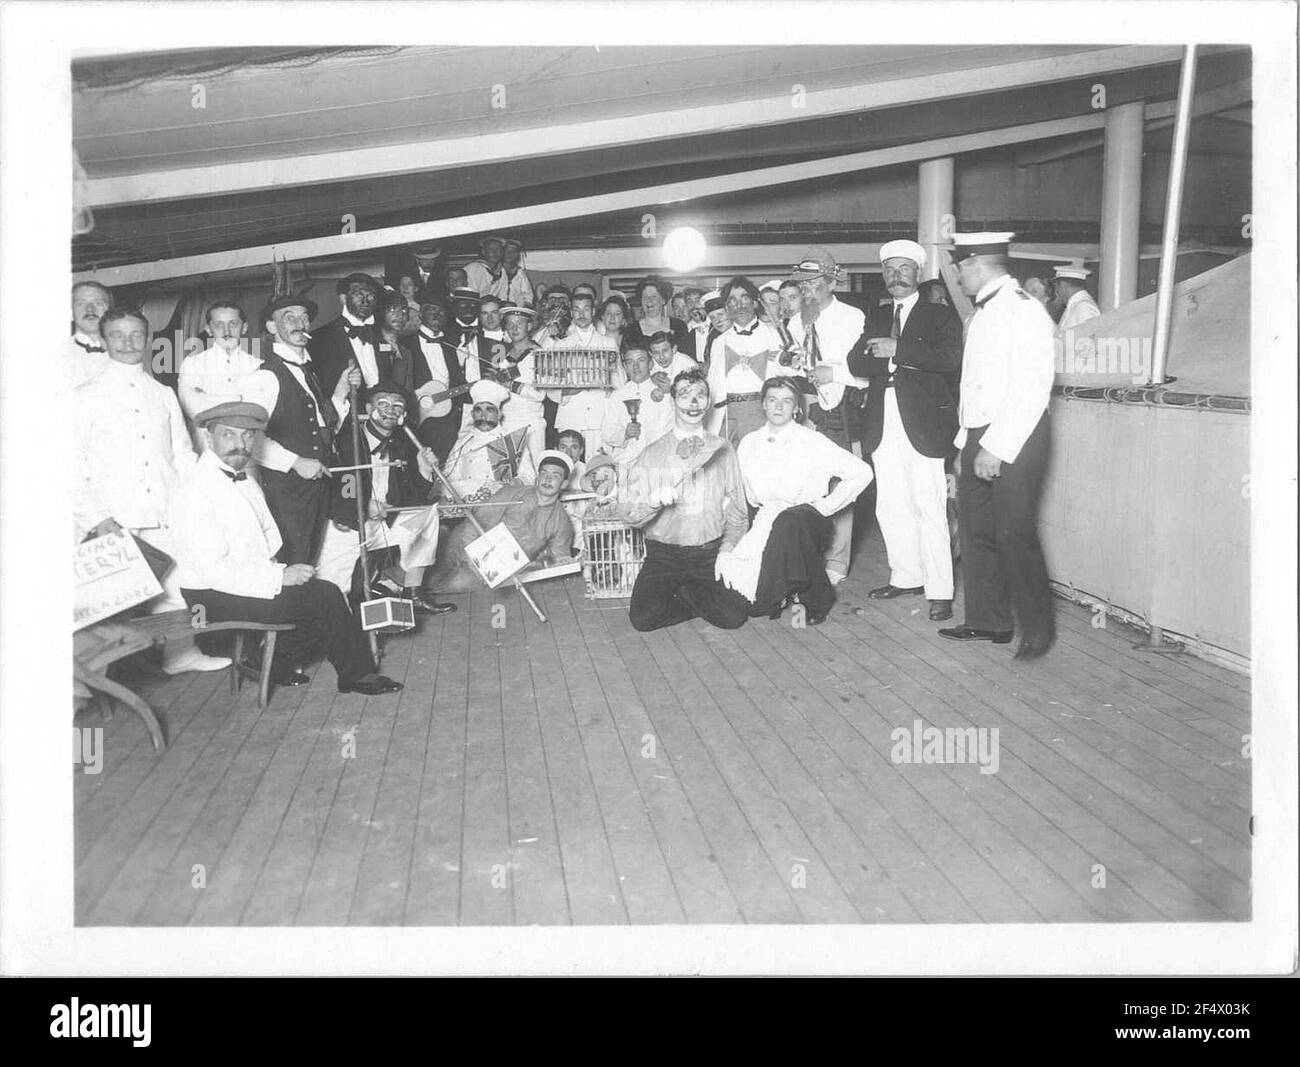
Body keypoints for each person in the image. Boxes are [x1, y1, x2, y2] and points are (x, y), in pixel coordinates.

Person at [173, 402, 401, 695]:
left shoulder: (244, 480)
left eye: (247, 436)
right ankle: (357, 676)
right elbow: (212, 570)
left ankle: (268, 663)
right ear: (208, 438)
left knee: (317, 599)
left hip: (242, 583)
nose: (240, 444)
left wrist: (283, 571)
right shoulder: (195, 490)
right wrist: (279, 578)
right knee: (326, 597)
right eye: (229, 435)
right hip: (209, 599)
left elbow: (268, 540)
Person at [75, 307, 228, 674]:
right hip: (113, 518)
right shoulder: (83, 396)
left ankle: (180, 655)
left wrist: (197, 499)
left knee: (178, 586)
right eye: (117, 335)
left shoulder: (162, 392)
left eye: (136, 335)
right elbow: (71, 466)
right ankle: (97, 678)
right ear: (104, 338)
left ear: (148, 339)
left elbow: (182, 453)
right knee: (107, 604)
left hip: (164, 508)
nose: (128, 343)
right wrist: (98, 518)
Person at [939, 232, 1056, 659]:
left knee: (1015, 533)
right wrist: (963, 445)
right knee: (977, 530)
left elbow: (1031, 389)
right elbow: (974, 388)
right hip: (978, 434)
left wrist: (996, 448)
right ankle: (988, 621)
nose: (959, 276)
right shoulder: (983, 312)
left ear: (976, 264)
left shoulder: (1023, 310)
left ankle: (1038, 632)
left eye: (961, 267)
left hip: (1016, 435)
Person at [848, 239, 963, 620]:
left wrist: (898, 350)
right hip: (883, 420)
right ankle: (906, 575)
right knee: (890, 504)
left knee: (928, 505)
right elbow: (857, 363)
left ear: (918, 273)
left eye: (904, 270)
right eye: (890, 270)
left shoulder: (939, 315)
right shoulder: (877, 315)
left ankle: (940, 589)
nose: (896, 277)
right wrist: (892, 359)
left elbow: (948, 360)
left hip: (925, 423)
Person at [729, 376, 874, 623]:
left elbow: (862, 472)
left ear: (797, 408)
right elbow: (746, 494)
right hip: (768, 520)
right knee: (746, 603)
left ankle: (817, 597)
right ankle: (783, 587)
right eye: (772, 400)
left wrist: (825, 507)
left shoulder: (811, 441)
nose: (778, 406)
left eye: (787, 401)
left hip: (806, 520)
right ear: (763, 404)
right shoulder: (749, 443)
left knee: (789, 520)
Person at [620, 367, 750, 632]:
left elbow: (738, 511)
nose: (693, 402)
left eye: (701, 394)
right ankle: (690, 592)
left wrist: (727, 549)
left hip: (709, 554)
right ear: (672, 400)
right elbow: (629, 514)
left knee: (734, 617)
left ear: (709, 402)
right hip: (665, 555)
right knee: (643, 619)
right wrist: (653, 501)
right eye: (684, 394)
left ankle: (688, 590)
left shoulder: (722, 449)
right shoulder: (652, 453)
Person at [316, 382, 456, 616]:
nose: (390, 409)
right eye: (383, 404)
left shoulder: (401, 444)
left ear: (403, 416)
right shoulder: (346, 440)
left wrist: (423, 471)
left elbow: (413, 499)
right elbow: (331, 491)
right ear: (369, 409)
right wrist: (362, 507)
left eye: (397, 406)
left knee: (426, 514)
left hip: (382, 524)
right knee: (335, 594)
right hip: (346, 526)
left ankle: (414, 594)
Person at [244, 295, 359, 564]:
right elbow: (250, 436)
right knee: (292, 564)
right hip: (287, 492)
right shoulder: (265, 376)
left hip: (317, 485)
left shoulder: (309, 371)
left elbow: (321, 426)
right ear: (272, 328)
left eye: (304, 317)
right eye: (289, 317)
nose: (300, 323)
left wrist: (341, 392)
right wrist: (295, 462)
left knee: (313, 560)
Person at [785, 247, 868, 586]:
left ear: (832, 281)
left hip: (843, 408)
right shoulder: (794, 321)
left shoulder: (853, 317)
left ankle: (837, 560)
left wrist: (833, 374)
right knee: (807, 483)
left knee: (843, 481)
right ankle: (810, 555)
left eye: (814, 282)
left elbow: (864, 373)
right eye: (802, 283)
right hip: (806, 408)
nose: (807, 289)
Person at [427, 450, 575, 594]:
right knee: (431, 582)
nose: (547, 479)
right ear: (537, 477)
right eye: (544, 473)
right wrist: (473, 559)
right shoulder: (512, 492)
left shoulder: (562, 522)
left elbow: (560, 558)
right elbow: (474, 525)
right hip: (463, 544)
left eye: (555, 476)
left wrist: (564, 563)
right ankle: (441, 540)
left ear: (564, 484)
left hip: (495, 570)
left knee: (443, 588)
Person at [707, 275, 788, 443]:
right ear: (727, 307)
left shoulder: (775, 335)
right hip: (726, 414)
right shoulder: (718, 342)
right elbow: (713, 384)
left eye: (745, 299)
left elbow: (788, 375)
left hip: (762, 411)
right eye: (733, 301)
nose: (740, 305)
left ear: (755, 303)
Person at [404, 300, 477, 464]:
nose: (437, 314)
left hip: (448, 421)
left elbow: (458, 381)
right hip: (417, 419)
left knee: (447, 465)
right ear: (421, 314)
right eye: (432, 309)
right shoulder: (405, 344)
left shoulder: (450, 344)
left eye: (442, 311)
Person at [443, 379, 538, 499]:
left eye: (490, 410)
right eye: (478, 410)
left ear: (499, 414)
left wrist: (507, 485)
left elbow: (529, 478)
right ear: (472, 414)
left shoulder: (512, 441)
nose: (483, 416)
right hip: (468, 502)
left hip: (502, 503)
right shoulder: (463, 442)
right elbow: (450, 476)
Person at [545, 291, 615, 453]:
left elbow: (618, 379)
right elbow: (549, 383)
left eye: (586, 309)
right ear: (571, 313)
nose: (581, 314)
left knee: (598, 465)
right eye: (576, 309)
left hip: (599, 416)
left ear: (593, 312)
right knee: (568, 467)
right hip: (571, 414)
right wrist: (566, 391)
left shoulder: (608, 343)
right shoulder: (560, 345)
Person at [177, 300, 262, 425]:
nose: (226, 332)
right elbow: (193, 409)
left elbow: (258, 411)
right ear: (209, 330)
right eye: (218, 325)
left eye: (233, 324)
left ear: (244, 328)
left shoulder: (256, 366)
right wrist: (238, 399)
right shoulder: (192, 364)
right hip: (204, 442)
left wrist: (207, 399)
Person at [309, 272, 382, 398]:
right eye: (358, 295)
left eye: (370, 295)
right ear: (343, 298)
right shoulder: (319, 338)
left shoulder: (383, 336)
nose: (365, 301)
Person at [602, 343, 675, 466]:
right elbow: (607, 434)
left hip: (659, 462)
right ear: (624, 366)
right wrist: (625, 434)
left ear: (650, 364)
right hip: (627, 461)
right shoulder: (618, 396)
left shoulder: (665, 391)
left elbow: (672, 427)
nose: (635, 367)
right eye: (630, 362)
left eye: (641, 360)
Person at [496, 304, 549, 460]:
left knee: (534, 473)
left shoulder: (541, 355)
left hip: (532, 423)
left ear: (530, 326)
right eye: (510, 324)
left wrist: (511, 385)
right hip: (505, 422)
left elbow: (540, 395)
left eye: (519, 323)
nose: (514, 328)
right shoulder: (501, 356)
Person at [626, 276, 694, 358]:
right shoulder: (631, 330)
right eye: (645, 297)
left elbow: (686, 357)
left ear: (663, 300)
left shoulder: (679, 326)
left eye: (654, 296)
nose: (649, 301)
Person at [373, 289, 418, 393]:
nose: (399, 316)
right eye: (392, 310)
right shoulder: (369, 345)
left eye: (404, 311)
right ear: (380, 313)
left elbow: (408, 391)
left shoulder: (406, 353)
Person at [70, 280, 113, 387]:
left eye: (98, 303)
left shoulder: (124, 353)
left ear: (110, 311)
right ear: (70, 312)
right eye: (81, 303)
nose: (90, 309)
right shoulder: (56, 357)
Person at [1051, 265, 1101, 337]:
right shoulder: (1074, 306)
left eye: (1057, 287)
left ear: (1063, 285)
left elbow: (1089, 343)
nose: (1057, 292)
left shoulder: (1084, 307)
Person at [463, 235, 507, 299]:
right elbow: (469, 295)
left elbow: (503, 296)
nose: (495, 252)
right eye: (491, 249)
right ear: (483, 252)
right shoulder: (473, 268)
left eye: (498, 249)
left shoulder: (502, 271)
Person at [499, 238, 534, 307]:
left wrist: (526, 306)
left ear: (517, 255)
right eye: (507, 251)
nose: (510, 254)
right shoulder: (496, 271)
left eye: (513, 251)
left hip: (515, 311)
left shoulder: (520, 273)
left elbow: (528, 295)